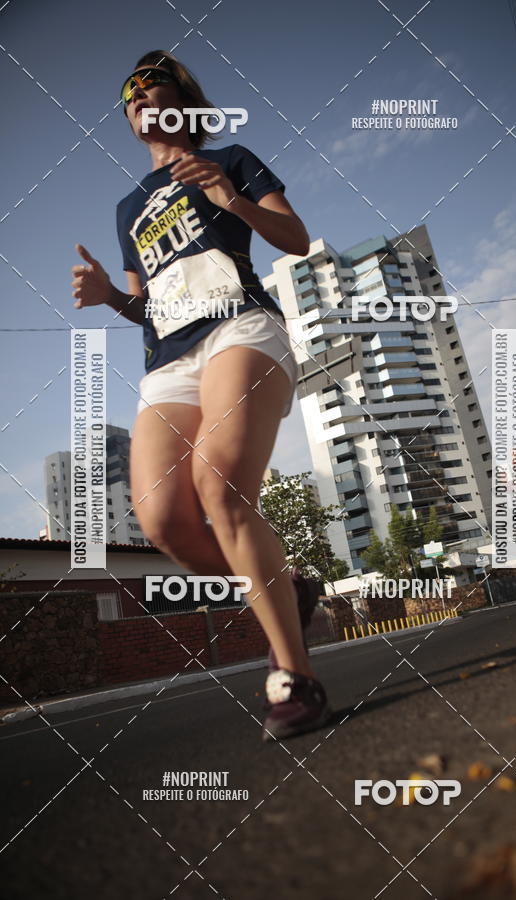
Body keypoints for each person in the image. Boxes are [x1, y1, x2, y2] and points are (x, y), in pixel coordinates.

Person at [71, 50, 331, 741]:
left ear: (184, 101)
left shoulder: (233, 159)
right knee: (163, 522)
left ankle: (294, 675)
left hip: (239, 329)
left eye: (153, 86)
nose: (139, 97)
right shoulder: (128, 208)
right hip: (168, 362)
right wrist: (108, 299)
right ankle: (289, 589)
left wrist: (231, 197)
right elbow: (147, 308)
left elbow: (296, 240)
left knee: (220, 490)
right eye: (129, 93)